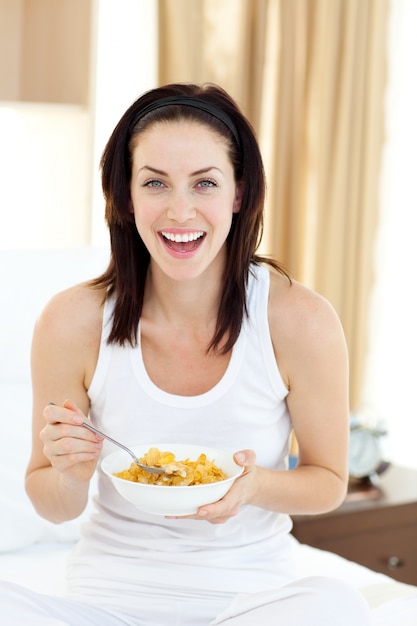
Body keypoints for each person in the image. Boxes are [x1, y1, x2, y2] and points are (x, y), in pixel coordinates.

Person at [1, 83, 371, 625]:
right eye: (155, 183)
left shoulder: (300, 320)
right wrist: (71, 472)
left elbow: (328, 482)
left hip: (250, 600)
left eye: (205, 183)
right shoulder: (72, 321)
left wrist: (256, 486)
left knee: (338, 605)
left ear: (238, 193)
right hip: (106, 601)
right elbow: (51, 501)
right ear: (125, 196)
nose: (180, 210)